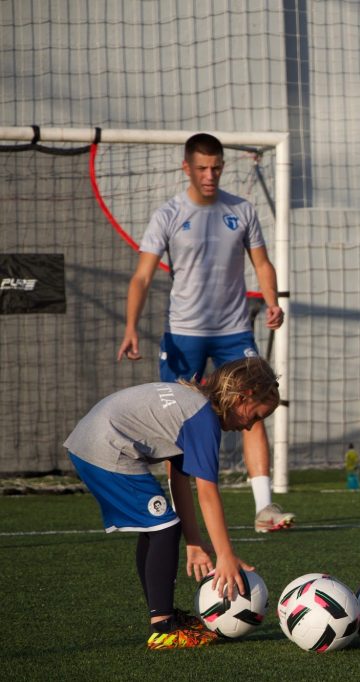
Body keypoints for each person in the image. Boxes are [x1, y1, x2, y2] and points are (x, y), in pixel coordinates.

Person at [117, 132, 294, 533]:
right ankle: (179, 513)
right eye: (202, 168)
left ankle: (264, 508)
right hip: (184, 334)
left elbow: (262, 264)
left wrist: (272, 301)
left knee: (256, 407)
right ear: (187, 168)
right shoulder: (168, 214)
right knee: (177, 423)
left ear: (223, 167)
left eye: (216, 168)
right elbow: (142, 277)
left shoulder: (241, 210)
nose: (209, 175)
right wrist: (130, 327)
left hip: (234, 331)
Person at [64, 356, 281, 649]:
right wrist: (225, 555)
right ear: (243, 397)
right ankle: (164, 626)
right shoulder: (203, 419)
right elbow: (207, 493)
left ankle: (163, 615)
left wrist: (194, 542)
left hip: (92, 441)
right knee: (163, 528)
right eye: (254, 417)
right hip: (106, 448)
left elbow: (179, 479)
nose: (249, 427)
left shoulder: (194, 405)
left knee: (159, 527)